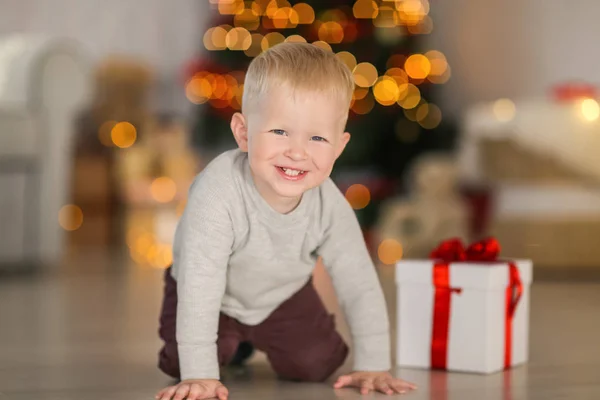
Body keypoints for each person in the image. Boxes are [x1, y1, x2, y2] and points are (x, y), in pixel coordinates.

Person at [155, 42, 417, 400]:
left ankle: (247, 339)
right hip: (211, 296)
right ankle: (229, 343)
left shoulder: (329, 204)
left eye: (317, 138)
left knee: (317, 364)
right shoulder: (218, 192)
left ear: (338, 147)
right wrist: (201, 374)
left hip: (281, 293)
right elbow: (200, 283)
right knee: (185, 364)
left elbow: (359, 281)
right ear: (244, 133)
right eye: (280, 131)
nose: (297, 151)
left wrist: (373, 364)